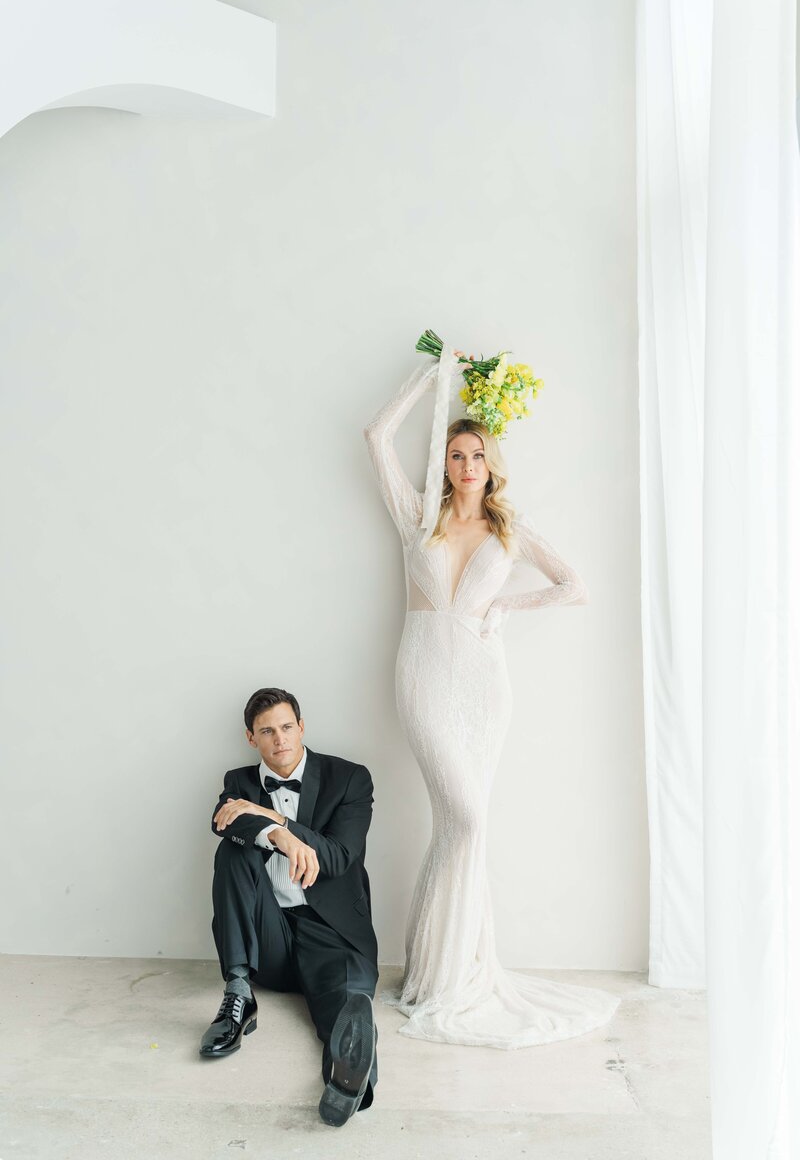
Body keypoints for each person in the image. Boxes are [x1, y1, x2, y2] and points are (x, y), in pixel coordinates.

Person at [363, 356, 620, 1048]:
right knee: (465, 822)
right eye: (455, 453)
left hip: (484, 683)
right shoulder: (418, 515)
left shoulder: (510, 527)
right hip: (422, 674)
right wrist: (428, 377)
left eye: (477, 453)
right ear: (443, 463)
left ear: (491, 462)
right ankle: (440, 972)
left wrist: (508, 602)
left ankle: (442, 973)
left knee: (463, 825)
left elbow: (575, 585)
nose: (467, 463)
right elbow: (375, 437)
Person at [201, 686, 378, 1127]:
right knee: (233, 850)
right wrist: (275, 836)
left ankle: (348, 1080)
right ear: (251, 738)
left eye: (286, 727)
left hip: (329, 932)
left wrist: (279, 820)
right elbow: (223, 822)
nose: (279, 739)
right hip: (269, 937)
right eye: (267, 731)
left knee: (343, 1004)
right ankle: (238, 996)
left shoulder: (349, 778)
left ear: (301, 727)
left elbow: (337, 858)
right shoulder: (238, 783)